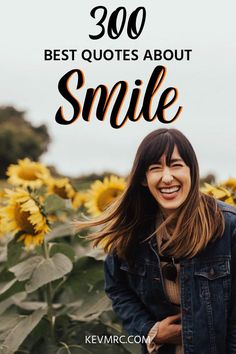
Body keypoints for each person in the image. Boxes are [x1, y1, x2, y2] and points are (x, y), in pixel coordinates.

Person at [77, 128, 236, 354]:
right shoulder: (132, 231)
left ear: (192, 170)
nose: (167, 177)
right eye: (155, 168)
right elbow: (117, 287)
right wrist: (150, 331)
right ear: (144, 178)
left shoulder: (227, 227)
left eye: (176, 164)